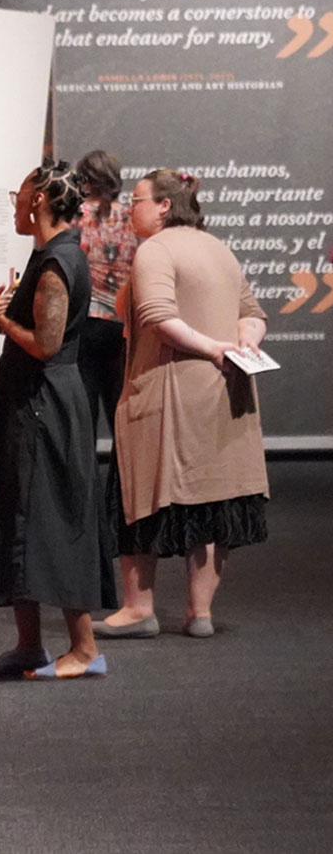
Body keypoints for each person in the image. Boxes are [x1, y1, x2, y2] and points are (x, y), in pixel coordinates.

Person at [93, 169, 269, 641]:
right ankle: (200, 612)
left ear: (164, 206)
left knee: (141, 497)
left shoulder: (156, 249)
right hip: (224, 394)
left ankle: (138, 608)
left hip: (167, 394)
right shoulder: (219, 248)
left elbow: (156, 316)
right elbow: (252, 315)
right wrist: (242, 344)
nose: (131, 209)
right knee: (216, 500)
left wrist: (214, 348)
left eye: (138, 201)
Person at [0, 159, 116, 679]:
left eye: (18, 193)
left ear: (37, 200)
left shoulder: (56, 263)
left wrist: (5, 322)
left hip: (45, 403)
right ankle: (29, 644)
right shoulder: (48, 257)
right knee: (19, 514)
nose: (14, 202)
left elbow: (46, 344)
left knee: (53, 517)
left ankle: (84, 649)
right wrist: (10, 317)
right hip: (35, 399)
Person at [73, 150, 137, 437]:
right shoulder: (132, 217)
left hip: (85, 321)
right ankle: (124, 481)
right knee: (120, 411)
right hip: (122, 323)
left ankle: (85, 481)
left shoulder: (76, 217)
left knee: (84, 412)